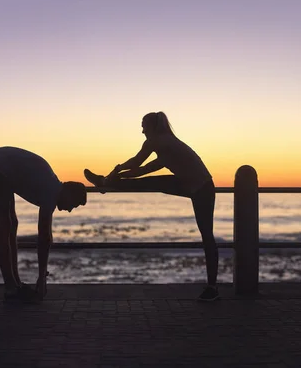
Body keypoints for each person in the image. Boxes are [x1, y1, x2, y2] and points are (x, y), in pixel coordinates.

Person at [84, 112, 219, 301]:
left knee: (207, 236)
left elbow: (138, 165)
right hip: (198, 184)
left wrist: (117, 171)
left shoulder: (158, 142)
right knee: (207, 236)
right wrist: (118, 173)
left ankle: (212, 288)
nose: (142, 131)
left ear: (152, 127)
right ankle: (212, 287)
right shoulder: (168, 142)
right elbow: (143, 170)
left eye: (143, 126)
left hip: (201, 189)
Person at [0, 146, 87, 302]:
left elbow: (44, 237)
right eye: (73, 205)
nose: (69, 210)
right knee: (4, 225)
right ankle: (11, 287)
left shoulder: (52, 186)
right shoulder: (51, 192)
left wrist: (41, 277)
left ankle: (15, 284)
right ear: (68, 193)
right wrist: (42, 278)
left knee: (12, 223)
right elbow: (44, 237)